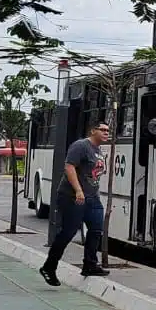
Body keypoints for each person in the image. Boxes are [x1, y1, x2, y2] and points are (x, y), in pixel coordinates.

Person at [38, 121, 110, 286]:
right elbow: (69, 167)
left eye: (108, 130)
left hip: (92, 197)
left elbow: (93, 175)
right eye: (103, 130)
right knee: (68, 232)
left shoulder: (98, 150)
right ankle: (49, 267)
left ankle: (90, 264)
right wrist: (78, 190)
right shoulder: (81, 146)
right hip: (72, 196)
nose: (106, 133)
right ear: (93, 131)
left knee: (96, 228)